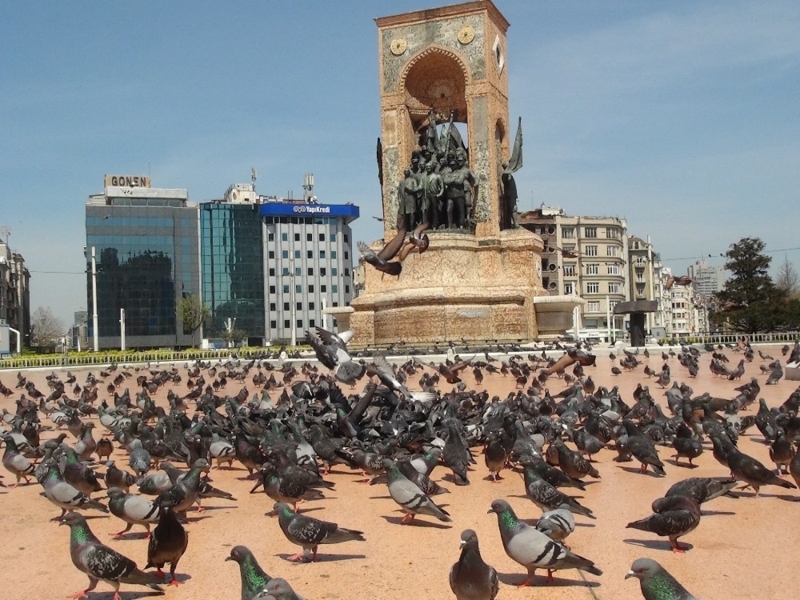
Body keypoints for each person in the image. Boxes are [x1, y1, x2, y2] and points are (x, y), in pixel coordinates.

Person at [501, 161, 519, 229]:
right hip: (510, 195)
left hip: (512, 194)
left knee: (513, 209)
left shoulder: (509, 174)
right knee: (513, 209)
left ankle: (513, 223)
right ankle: (515, 223)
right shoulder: (506, 175)